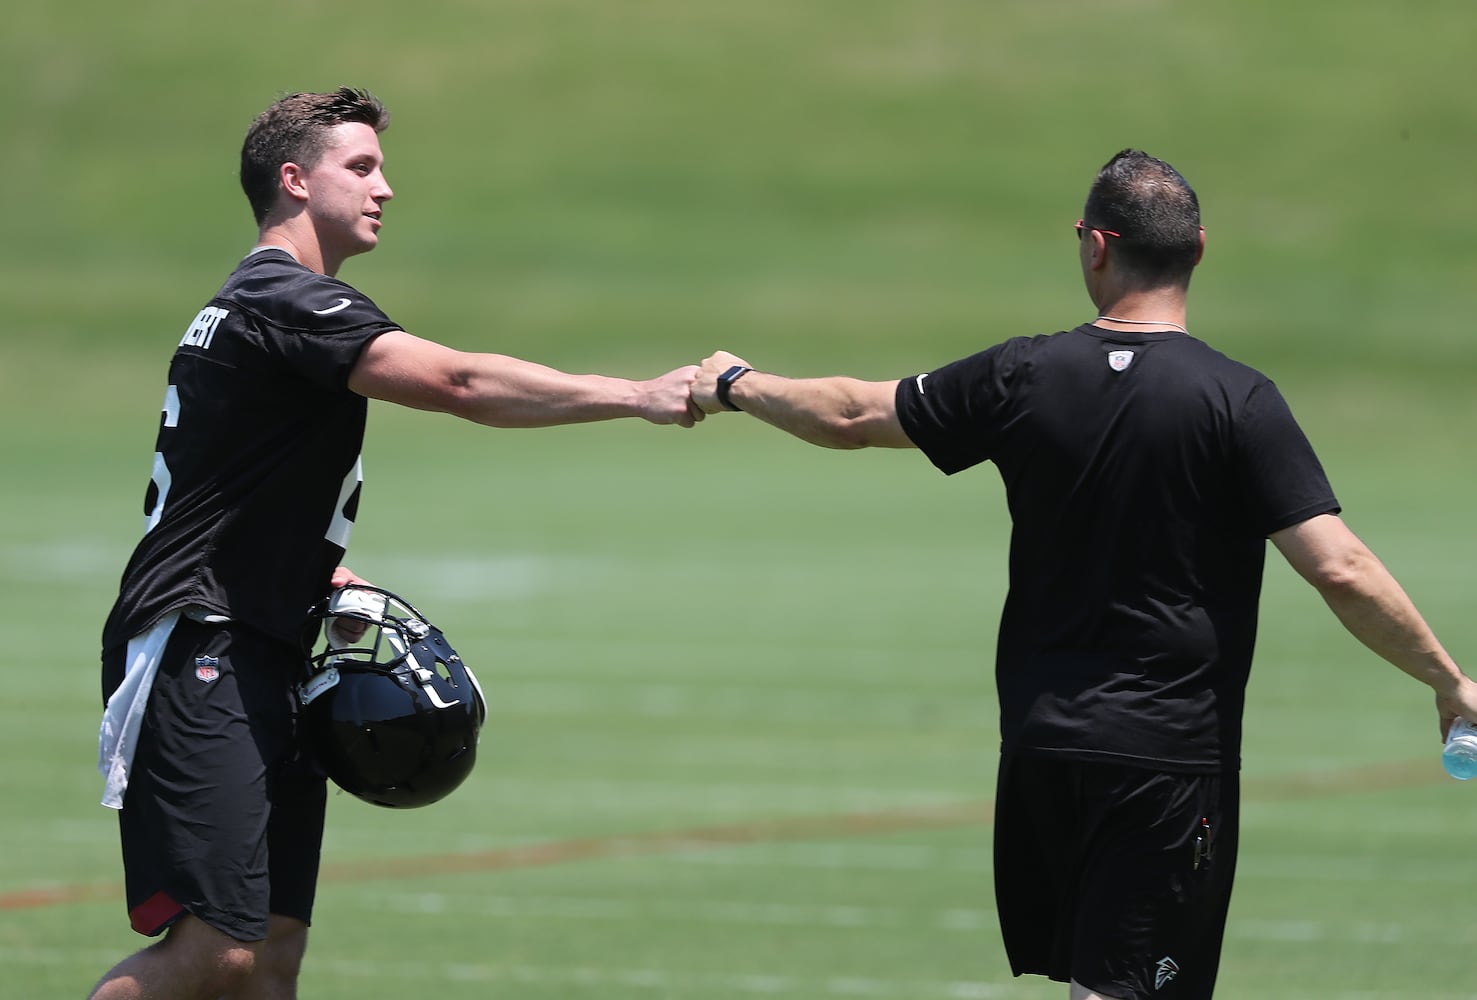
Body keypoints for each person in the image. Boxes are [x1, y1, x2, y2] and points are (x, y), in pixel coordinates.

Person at [688, 149, 1477, 999]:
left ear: (1094, 245)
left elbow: (848, 414)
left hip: (1040, 746)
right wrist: (1447, 680)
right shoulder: (1237, 400)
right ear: (1199, 249)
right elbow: (1341, 570)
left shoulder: (1021, 374)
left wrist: (735, 383)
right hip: (1164, 761)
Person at [90, 87, 702, 1000]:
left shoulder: (264, 304)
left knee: (273, 957)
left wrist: (316, 567)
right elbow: (454, 381)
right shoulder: (281, 296)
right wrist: (635, 395)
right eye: (361, 167)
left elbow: (230, 483)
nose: (385, 188)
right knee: (216, 952)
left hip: (269, 637)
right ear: (294, 181)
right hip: (203, 644)